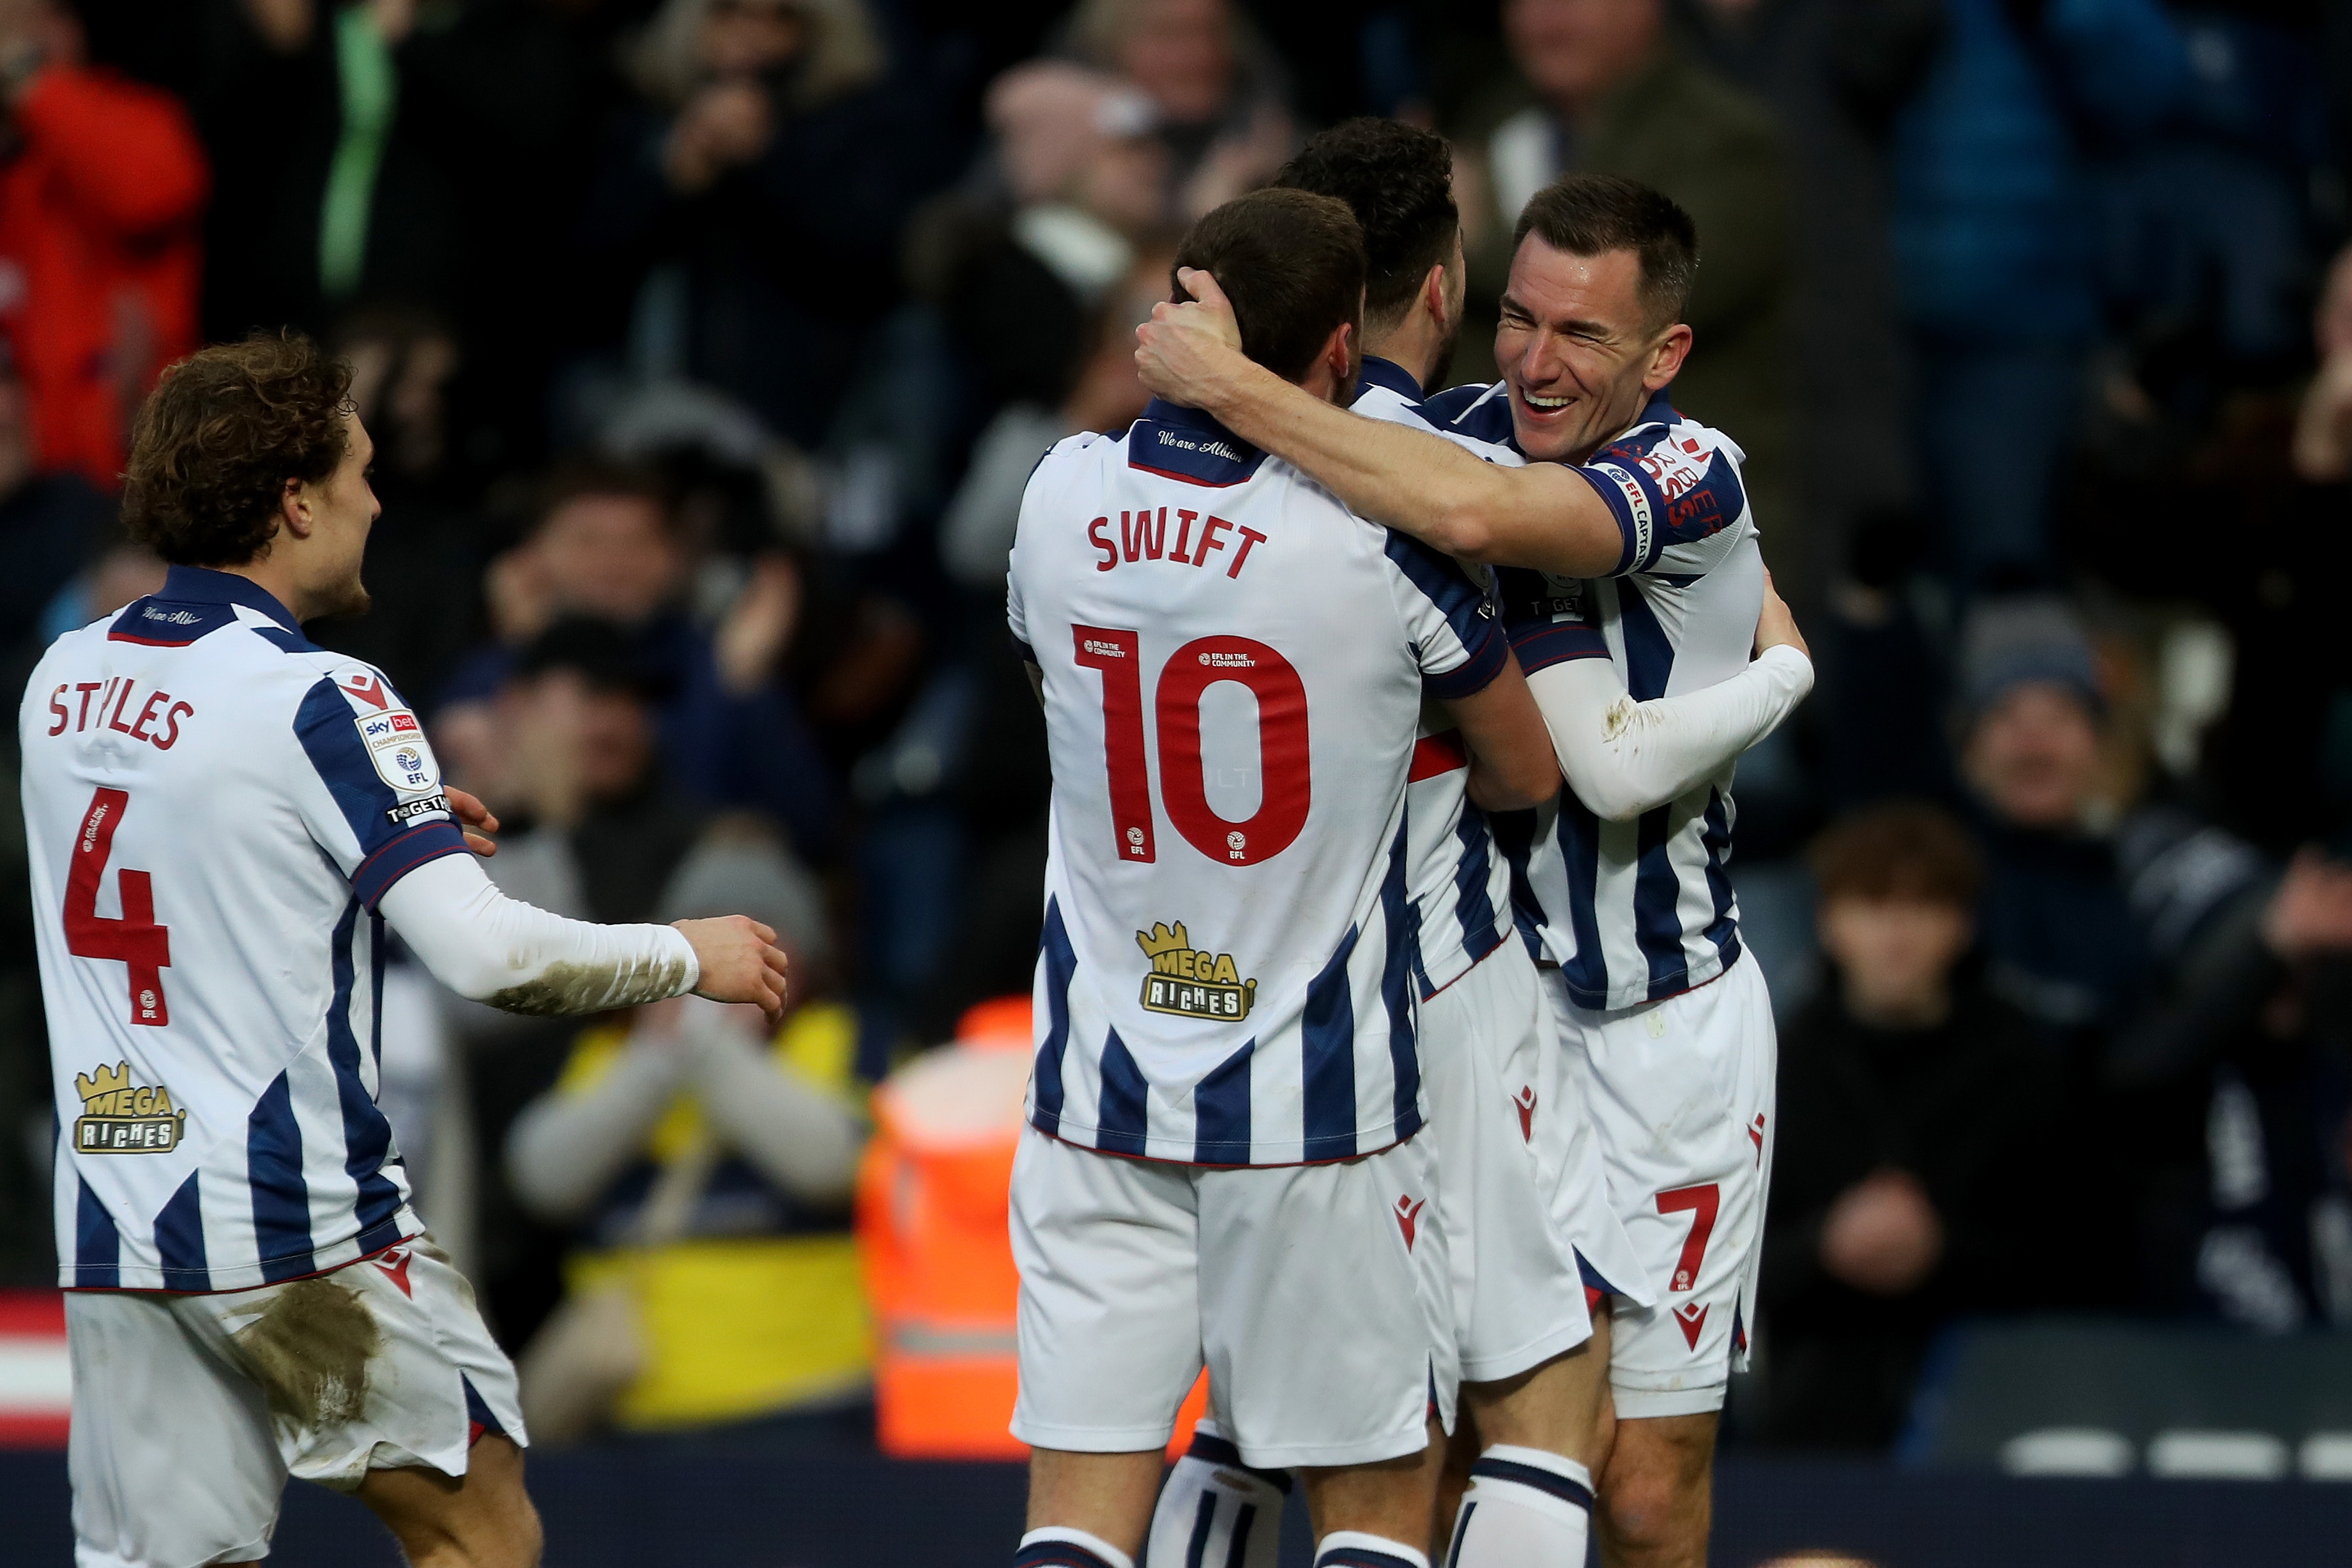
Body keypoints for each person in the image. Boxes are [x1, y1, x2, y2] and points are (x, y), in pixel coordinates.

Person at [1148, 120, 1814, 1568]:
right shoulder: (1441, 433)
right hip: (1475, 1019)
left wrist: (1233, 384)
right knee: (1439, 1436)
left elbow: (1470, 517)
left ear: (1666, 353)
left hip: (1662, 1027)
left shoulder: (1695, 474)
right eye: (1519, 314)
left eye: (1586, 331)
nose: (1539, 360)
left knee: (1645, 1486)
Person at [18, 332, 788, 1568]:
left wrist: (385, 821)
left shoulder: (61, 678)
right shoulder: (323, 696)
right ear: (295, 499)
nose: (377, 500)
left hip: (116, 1207)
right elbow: (488, 958)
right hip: (291, 1226)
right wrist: (683, 952)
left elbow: (196, 839)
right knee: (480, 1536)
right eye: (359, 472)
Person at [1005, 188, 1561, 1568]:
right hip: (1310, 1101)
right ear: (1334, 358)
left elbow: (1047, 669)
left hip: (1095, 1091)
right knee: (1371, 1518)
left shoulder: (1058, 491)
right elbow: (1523, 773)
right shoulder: (1374, 544)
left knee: (1073, 1529)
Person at [1753, 802, 2054, 1449]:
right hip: (1810, 1425)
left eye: (1923, 905)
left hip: (1995, 1419)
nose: (1896, 929)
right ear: (1828, 923)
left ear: (1963, 925)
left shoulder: (2021, 1066)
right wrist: (1825, 1246)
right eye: (1870, 902)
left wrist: (1941, 1249)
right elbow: (1720, 1261)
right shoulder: (1772, 1062)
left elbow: (2077, 1255)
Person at [0, 0, 206, 491]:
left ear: (61, 29)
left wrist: (31, 83)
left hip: (126, 478)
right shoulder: (18, 167)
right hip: (27, 489)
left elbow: (150, 191)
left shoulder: (135, 118)